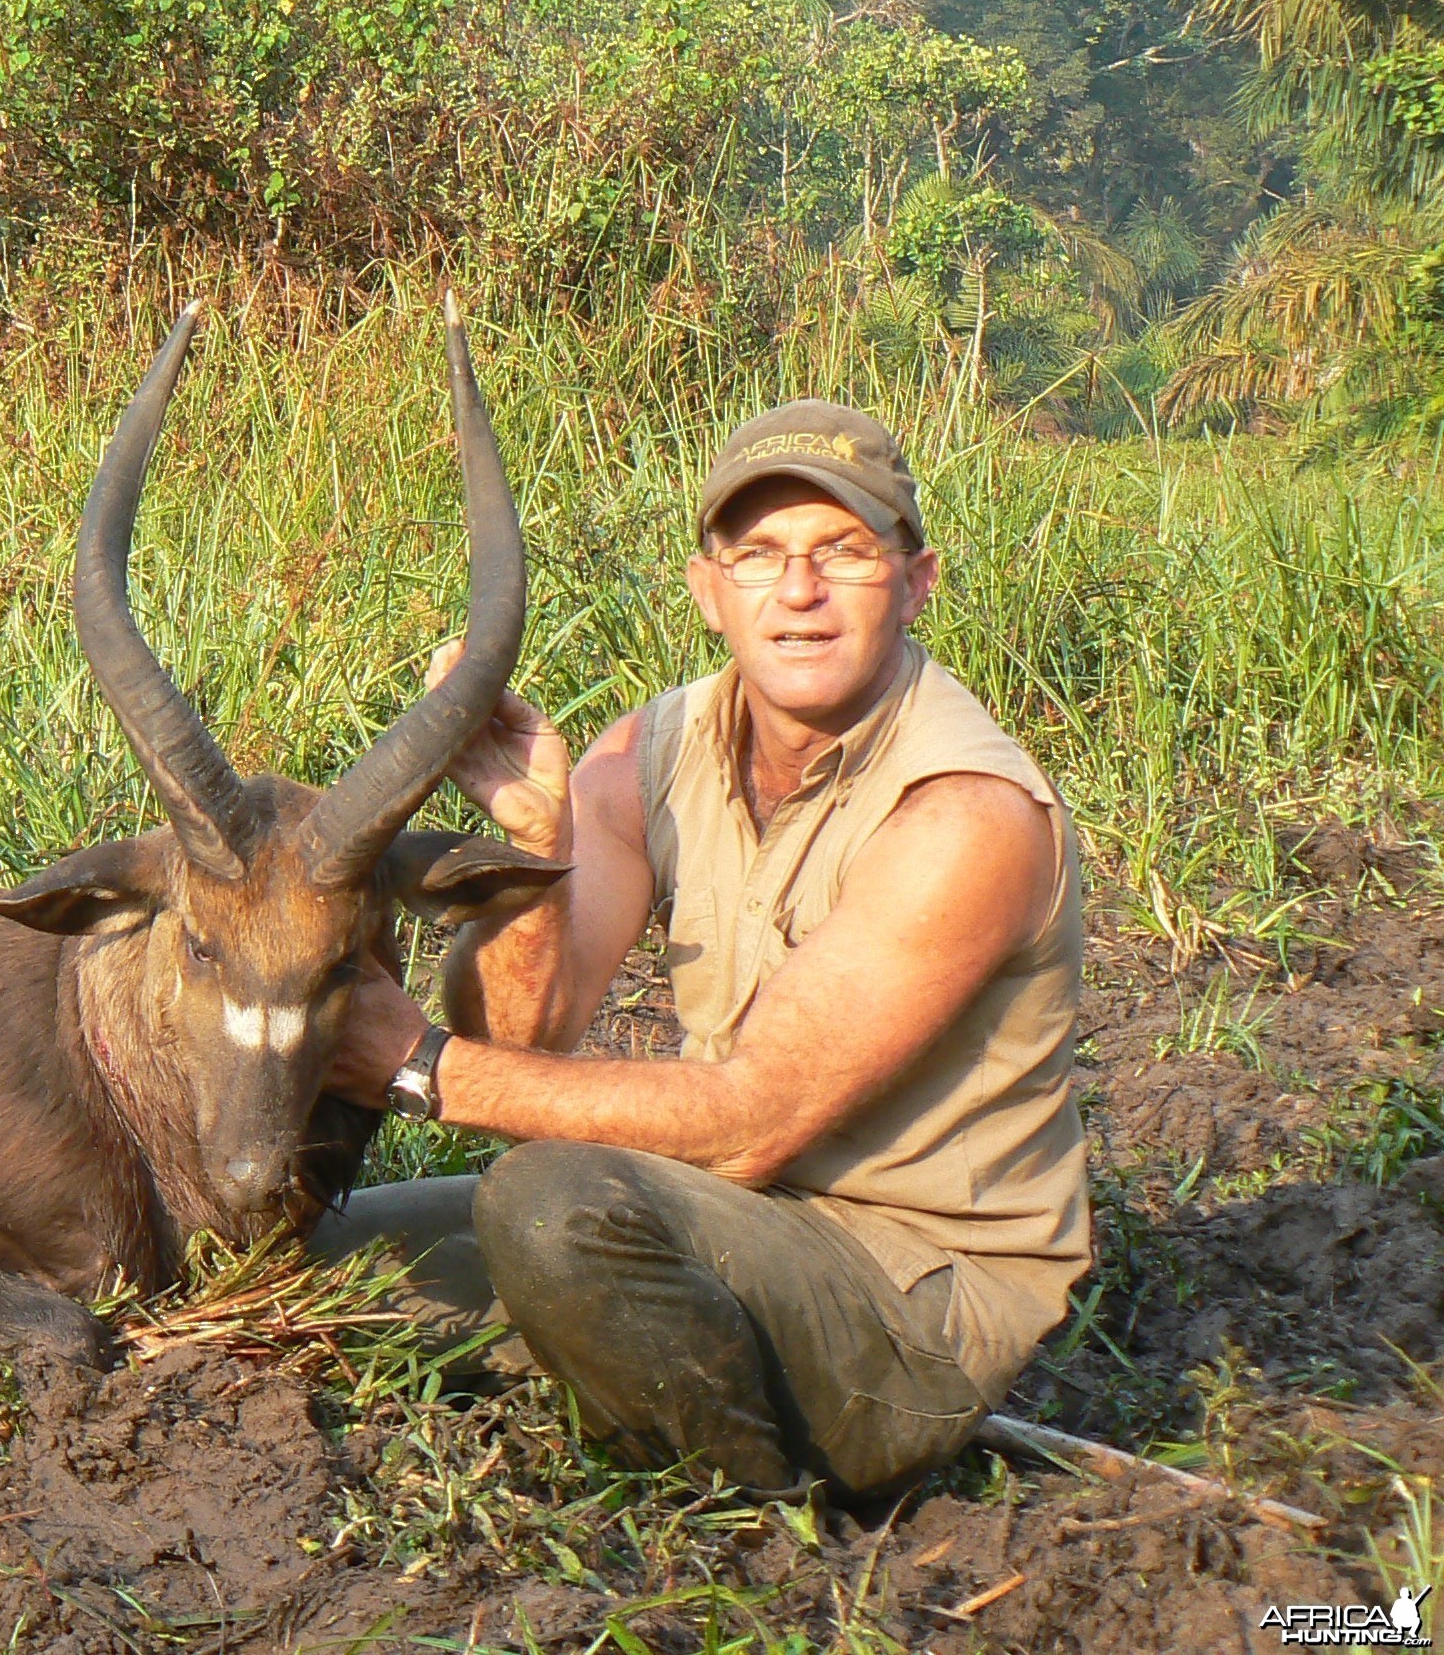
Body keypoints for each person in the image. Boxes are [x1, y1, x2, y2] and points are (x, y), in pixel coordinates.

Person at [320, 399, 1090, 1501]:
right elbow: (519, 1036)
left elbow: (747, 1123)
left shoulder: (965, 816)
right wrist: (534, 849)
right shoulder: (649, 749)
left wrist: (415, 1067)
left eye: (844, 554)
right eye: (760, 555)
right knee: (320, 1259)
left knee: (547, 1205)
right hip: (722, 1218)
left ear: (916, 582)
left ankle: (751, 1514)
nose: (798, 595)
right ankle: (621, 1366)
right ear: (706, 589)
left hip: (906, 1299)